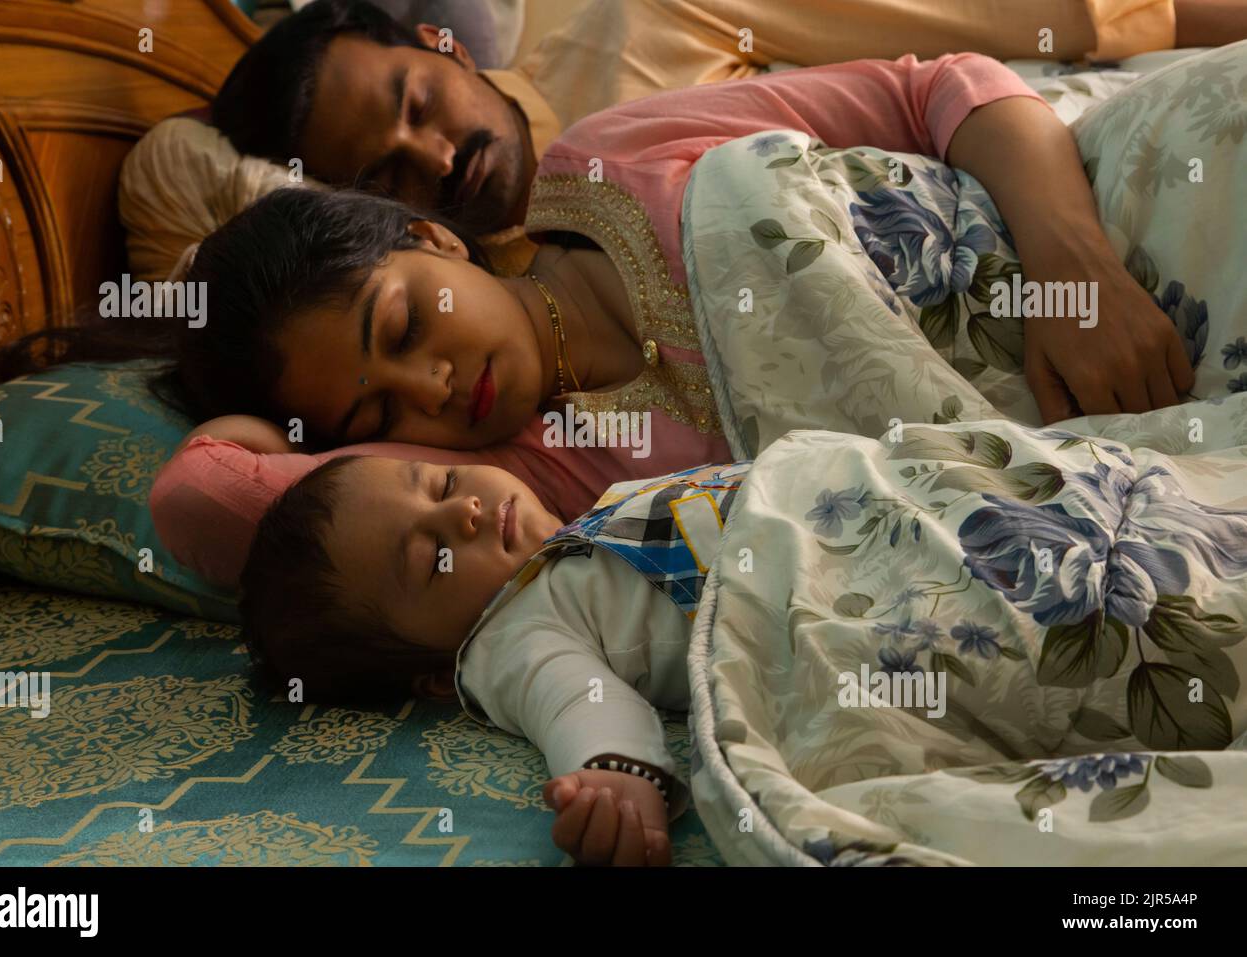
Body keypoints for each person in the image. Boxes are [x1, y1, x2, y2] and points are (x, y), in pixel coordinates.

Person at [135, 51, 1196, 588]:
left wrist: (1080, 278)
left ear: (431, 241)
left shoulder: (610, 157)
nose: (432, 391)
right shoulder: (539, 484)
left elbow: (940, 89)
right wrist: (262, 427)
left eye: (404, 328)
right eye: (375, 411)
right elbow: (209, 505)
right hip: (1112, 455)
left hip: (1113, 221)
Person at [120, 0, 1246, 279]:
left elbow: (1003, 31)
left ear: (440, 44)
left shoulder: (636, 22)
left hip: (1061, 175)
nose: (432, 156)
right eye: (382, 173)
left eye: (416, 104)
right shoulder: (455, 318)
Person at [238, 446, 752, 866]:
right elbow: (574, 699)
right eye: (433, 561)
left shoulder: (589, 520)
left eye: (443, 483)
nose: (462, 510)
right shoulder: (509, 633)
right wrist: (616, 773)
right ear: (442, 675)